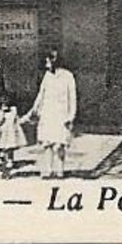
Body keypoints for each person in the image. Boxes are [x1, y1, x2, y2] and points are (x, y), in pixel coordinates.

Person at [24, 50, 78, 179]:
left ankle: (59, 171)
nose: (46, 63)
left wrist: (71, 116)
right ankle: (47, 171)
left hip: (61, 114)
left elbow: (73, 97)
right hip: (47, 113)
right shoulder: (47, 76)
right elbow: (41, 95)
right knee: (47, 144)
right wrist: (32, 111)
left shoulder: (68, 76)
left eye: (49, 61)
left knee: (59, 144)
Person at [0, 95, 26, 178]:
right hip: (2, 136)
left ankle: (8, 169)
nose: (5, 107)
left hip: (10, 136)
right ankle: (4, 168)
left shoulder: (13, 113)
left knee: (9, 152)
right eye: (3, 105)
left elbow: (17, 123)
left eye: (7, 105)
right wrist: (0, 118)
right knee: (2, 152)